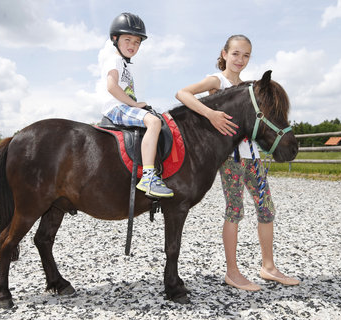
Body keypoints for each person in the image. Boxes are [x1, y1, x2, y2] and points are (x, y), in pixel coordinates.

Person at [175, 35, 299, 291]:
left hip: (252, 155)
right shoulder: (216, 80)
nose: (240, 60)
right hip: (231, 159)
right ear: (224, 54)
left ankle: (268, 266)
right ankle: (232, 272)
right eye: (236, 54)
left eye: (246, 56)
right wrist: (210, 114)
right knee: (235, 211)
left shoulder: (248, 87)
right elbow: (182, 93)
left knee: (266, 209)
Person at [102, 12, 173, 198]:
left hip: (123, 105)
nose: (132, 45)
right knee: (154, 123)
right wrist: (134, 104)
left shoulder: (125, 64)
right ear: (115, 39)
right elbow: (111, 86)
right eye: (127, 40)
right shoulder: (114, 59)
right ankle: (148, 176)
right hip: (116, 107)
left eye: (137, 42)